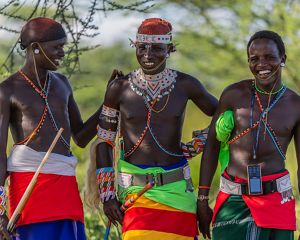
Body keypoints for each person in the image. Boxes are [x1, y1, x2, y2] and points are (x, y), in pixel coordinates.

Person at [85, 18, 218, 240]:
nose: (148, 54)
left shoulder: (186, 85)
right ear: (135, 48)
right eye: (142, 47)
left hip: (178, 190)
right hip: (135, 193)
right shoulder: (119, 89)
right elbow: (104, 143)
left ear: (170, 49)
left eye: (157, 48)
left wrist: (197, 145)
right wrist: (108, 196)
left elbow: (225, 115)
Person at [0, 17, 118, 240]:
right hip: (29, 187)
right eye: (57, 47)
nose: (62, 53)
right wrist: (0, 212)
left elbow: (81, 137)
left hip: (65, 184)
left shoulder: (62, 83)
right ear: (35, 48)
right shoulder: (8, 90)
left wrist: (109, 101)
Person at [197, 30, 300, 239]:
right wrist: (202, 199)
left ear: (283, 59)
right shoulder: (234, 95)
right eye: (254, 59)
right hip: (233, 200)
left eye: (269, 57)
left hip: (277, 200)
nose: (262, 64)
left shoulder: (295, 104)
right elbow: (212, 145)